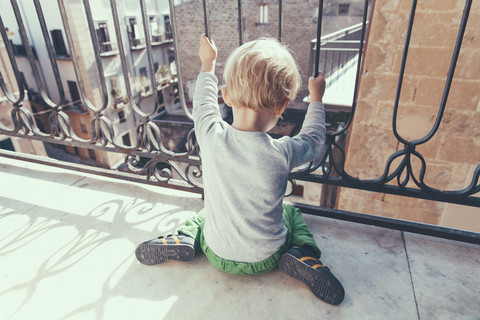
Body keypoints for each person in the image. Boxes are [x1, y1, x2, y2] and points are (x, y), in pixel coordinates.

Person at [136, 34, 345, 305]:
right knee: (291, 211)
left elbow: (203, 106)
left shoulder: (211, 136)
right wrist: (316, 99)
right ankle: (302, 252)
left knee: (203, 215)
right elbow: (315, 141)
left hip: (216, 254)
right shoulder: (283, 152)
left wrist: (208, 63)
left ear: (226, 96)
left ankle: (186, 237)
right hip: (267, 257)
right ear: (282, 106)